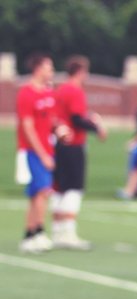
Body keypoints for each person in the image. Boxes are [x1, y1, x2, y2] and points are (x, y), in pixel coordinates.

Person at [52, 55, 107, 250]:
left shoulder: (61, 89)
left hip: (59, 143)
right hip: (73, 144)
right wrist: (96, 127)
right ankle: (68, 232)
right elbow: (76, 119)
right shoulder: (74, 91)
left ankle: (57, 230)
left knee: (59, 187)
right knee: (74, 188)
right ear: (80, 72)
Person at [17, 53, 70, 254]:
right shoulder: (26, 93)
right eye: (49, 67)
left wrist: (61, 131)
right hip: (33, 151)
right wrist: (42, 155)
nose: (52, 71)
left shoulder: (48, 93)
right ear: (38, 68)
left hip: (48, 149)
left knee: (37, 194)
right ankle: (38, 232)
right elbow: (28, 128)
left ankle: (29, 234)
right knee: (42, 192)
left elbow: (52, 121)